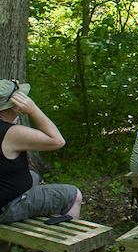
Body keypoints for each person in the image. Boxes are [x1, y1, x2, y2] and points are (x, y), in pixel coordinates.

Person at [0, 79, 82, 224]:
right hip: (6, 208)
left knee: (33, 177)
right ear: (14, 106)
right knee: (74, 195)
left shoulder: (8, 131)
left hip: (6, 192)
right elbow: (57, 141)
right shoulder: (12, 134)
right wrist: (33, 110)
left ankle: (30, 245)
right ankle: (56, 243)